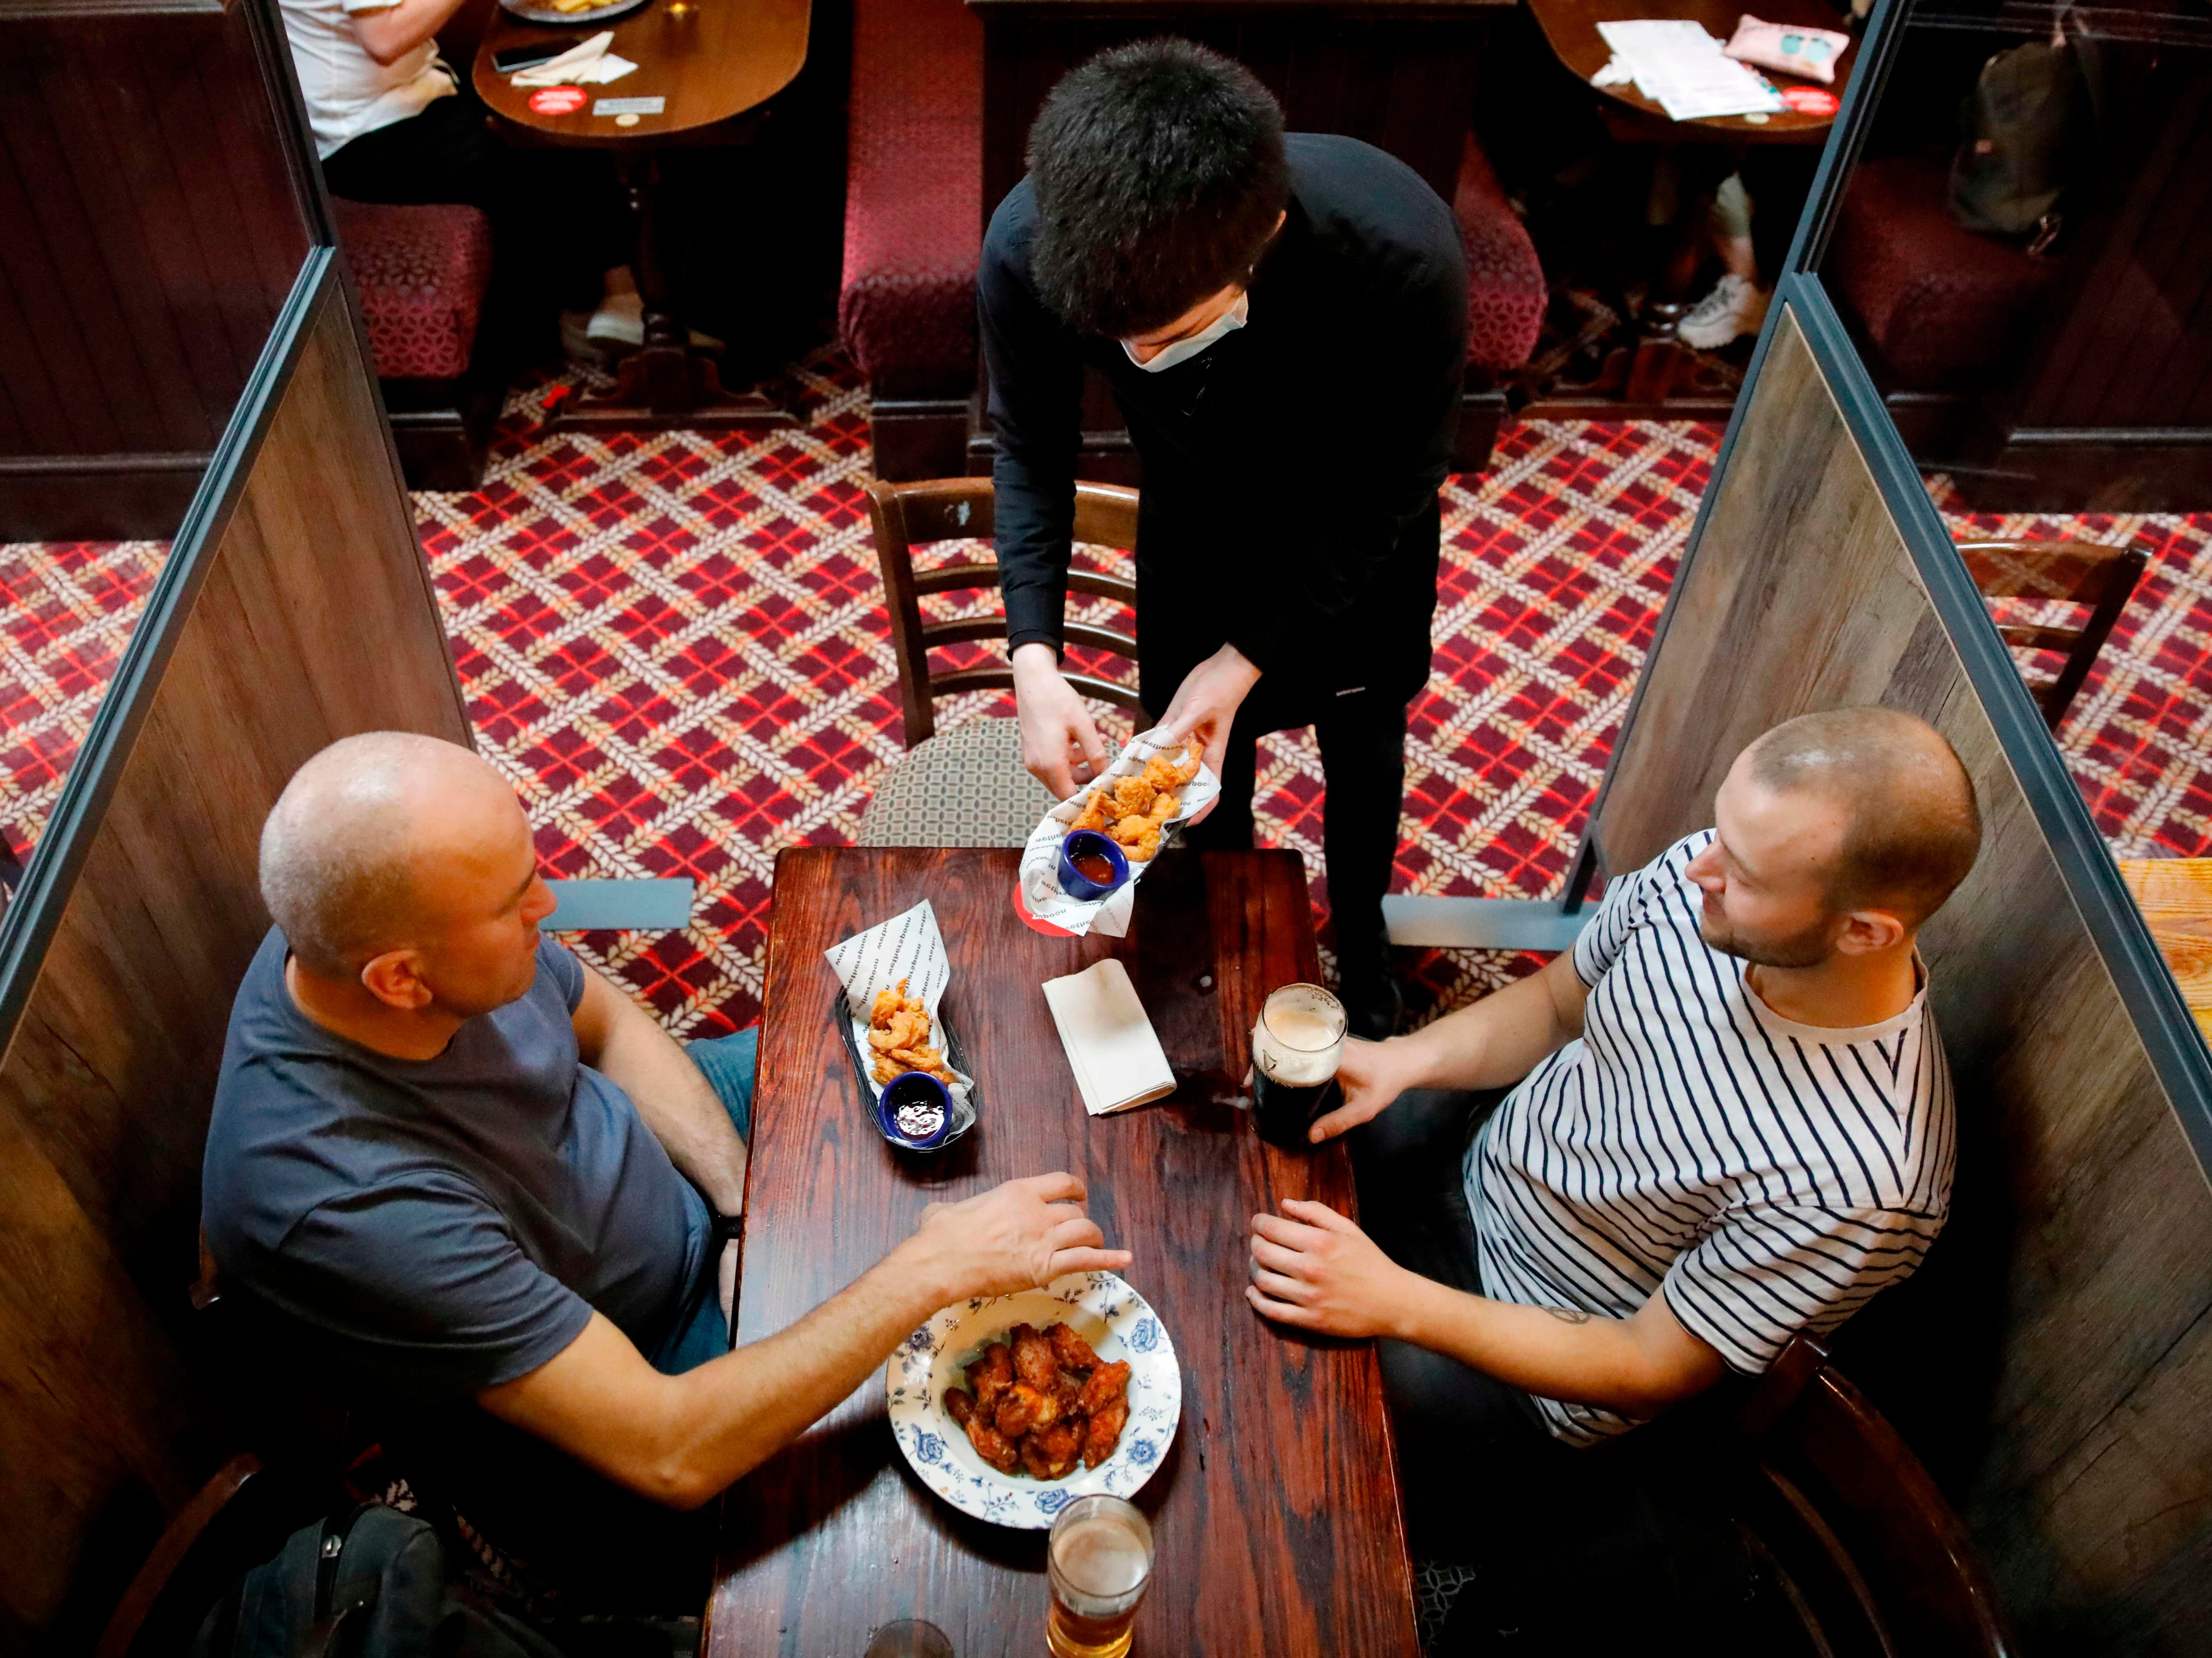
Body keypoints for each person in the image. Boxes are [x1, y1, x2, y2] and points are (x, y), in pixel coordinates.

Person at [202, 733, 1128, 1598]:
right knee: (934, 1473)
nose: (550, 907)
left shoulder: (354, 934)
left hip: (673, 1177)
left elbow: (596, 1019)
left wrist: (735, 1203)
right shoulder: (352, 1208)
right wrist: (928, 1269)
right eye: (514, 902)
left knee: (919, 1057)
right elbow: (670, 1449)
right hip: (646, 1376)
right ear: (400, 980)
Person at [1240, 707, 1979, 1555]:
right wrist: (1411, 1059)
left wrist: (1395, 1301)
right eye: (1718, 834)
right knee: (1238, 1159)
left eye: (1741, 871)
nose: (1699, 865)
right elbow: (1559, 1003)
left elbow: (1644, 1368)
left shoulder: (1868, 1178)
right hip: (1479, 1169)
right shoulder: (1708, 882)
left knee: (1276, 1433)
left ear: (1863, 931)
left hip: (1534, 1369)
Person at [981, 40, 1469, 1039]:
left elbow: (1397, 480)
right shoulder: (1025, 245)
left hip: (1355, 548)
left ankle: (1365, 934)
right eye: (1120, 346)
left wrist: (1249, 656)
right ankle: (1231, 928)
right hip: (1194, 537)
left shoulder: (1399, 247)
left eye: (1167, 336)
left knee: (1366, 752)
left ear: (1266, 236)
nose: (1140, 361)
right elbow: (1032, 450)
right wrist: (1033, 653)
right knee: (1201, 785)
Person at [276, 0, 637, 359]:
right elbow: (384, 39)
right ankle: (597, 308)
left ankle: (605, 303)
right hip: (361, 136)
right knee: (543, 139)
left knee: (554, 106)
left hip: (409, 97)